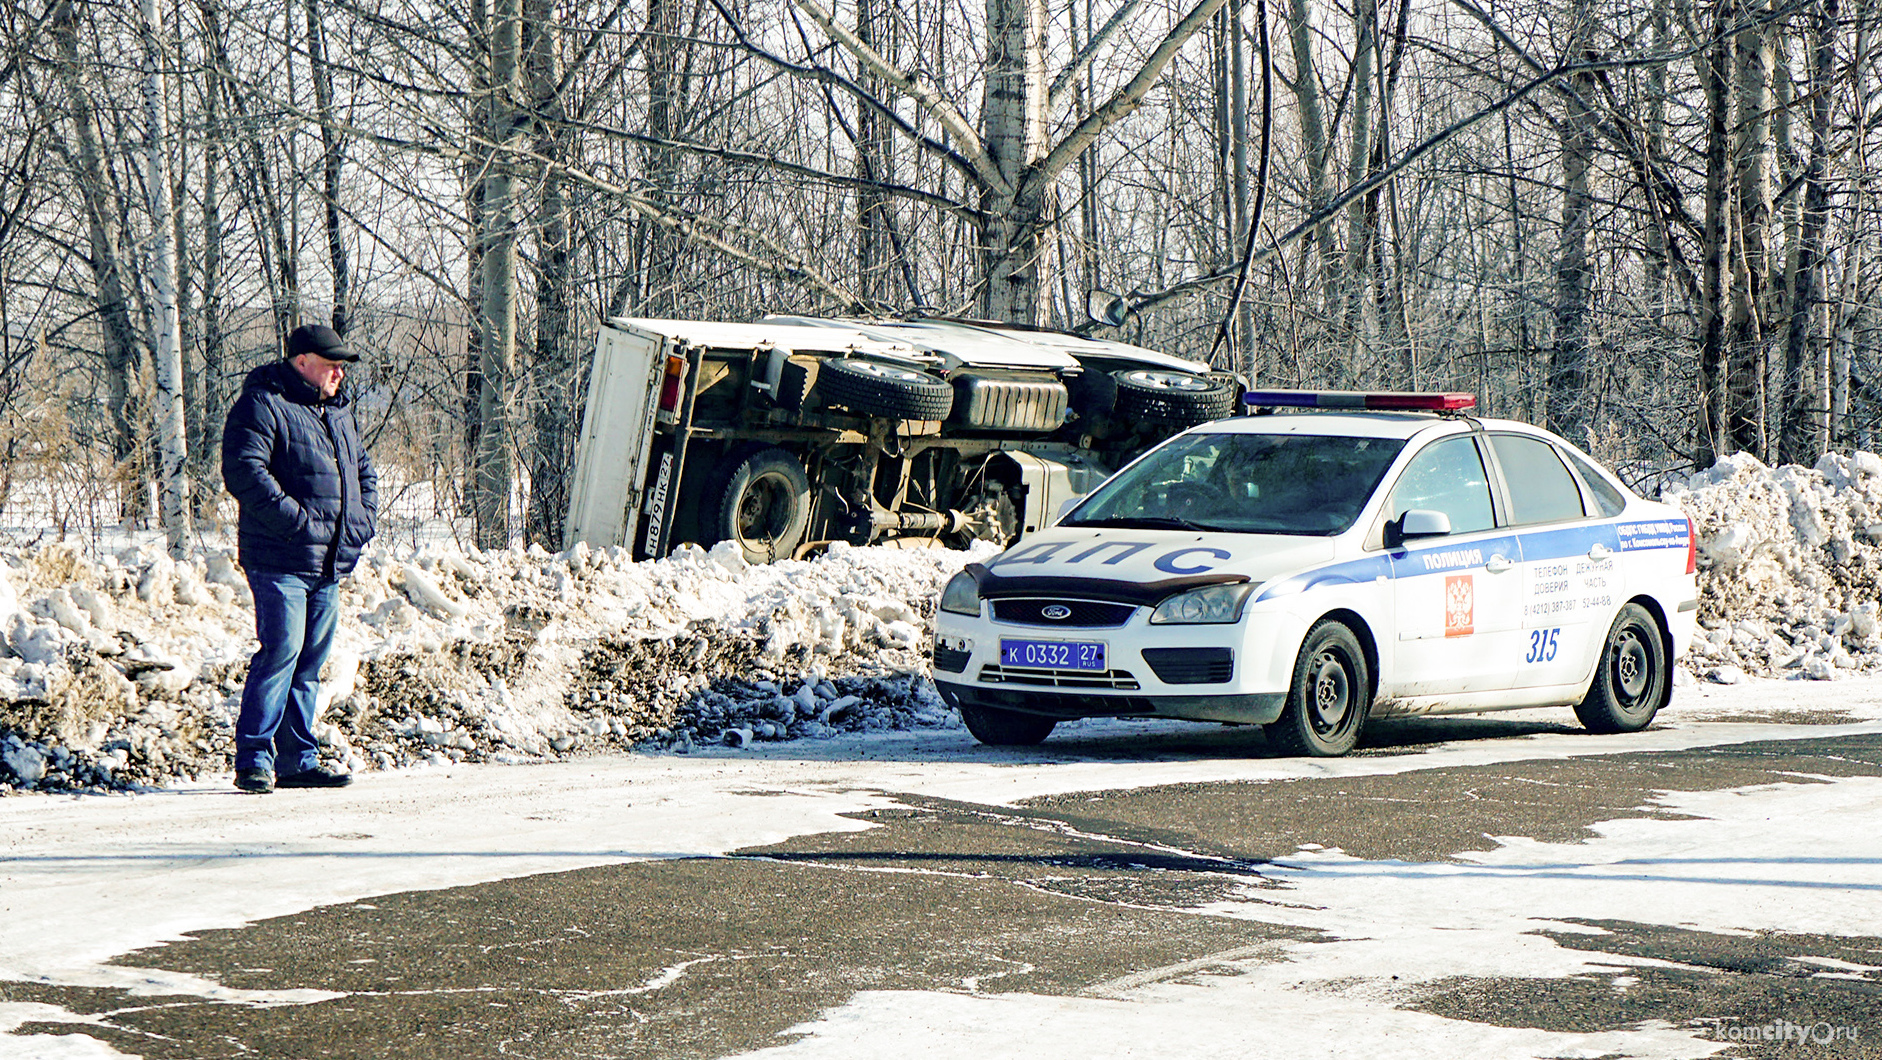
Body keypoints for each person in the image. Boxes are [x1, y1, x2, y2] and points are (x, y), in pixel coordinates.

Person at [221, 323, 377, 793]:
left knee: (310, 661)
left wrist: (361, 521)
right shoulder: (263, 403)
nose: (340, 376)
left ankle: (296, 761)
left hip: (327, 561)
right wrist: (299, 523)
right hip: (279, 559)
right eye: (332, 366)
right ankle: (254, 759)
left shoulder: (337, 412)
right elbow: (243, 471)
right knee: (282, 652)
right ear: (302, 362)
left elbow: (363, 472)